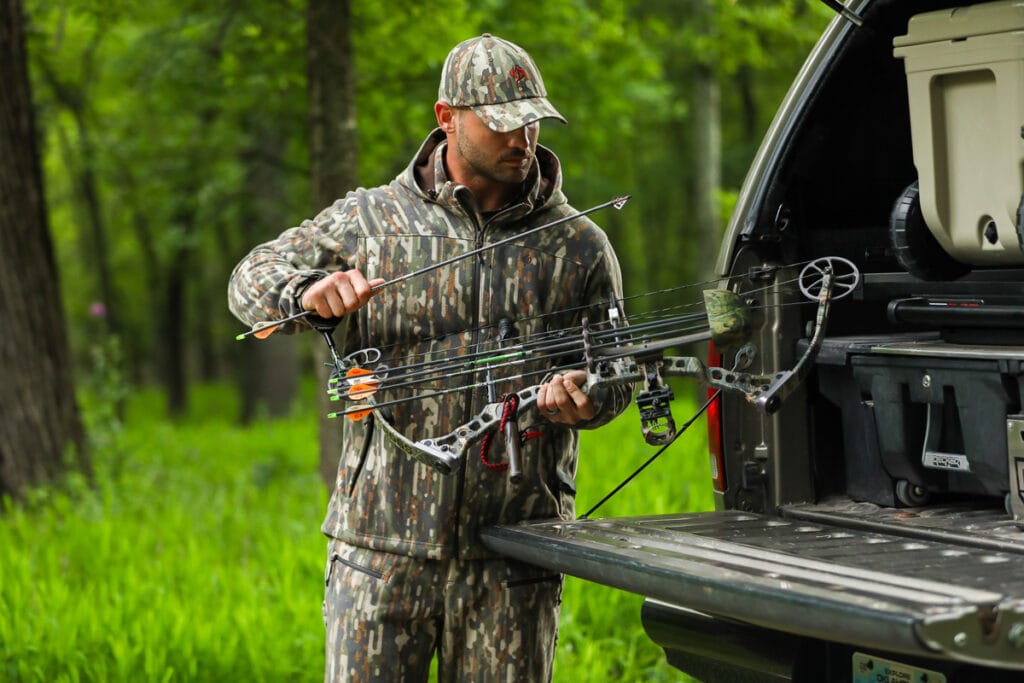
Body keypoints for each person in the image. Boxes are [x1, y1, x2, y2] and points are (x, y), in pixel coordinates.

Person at [228, 33, 630, 682]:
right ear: (447, 118)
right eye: (501, 123)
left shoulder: (579, 245)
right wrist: (306, 292)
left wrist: (587, 396)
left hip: (514, 555)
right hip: (379, 551)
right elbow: (248, 281)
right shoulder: (370, 222)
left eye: (531, 121)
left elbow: (619, 373)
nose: (522, 139)